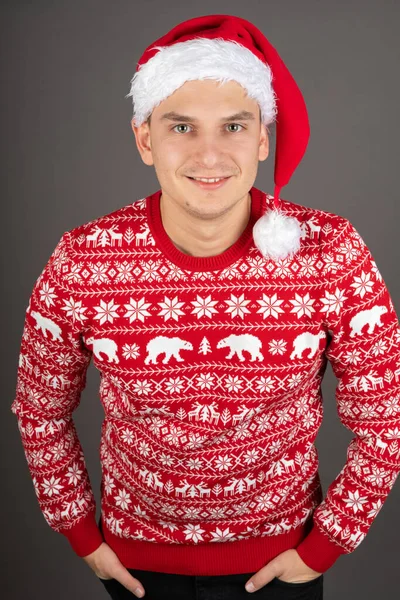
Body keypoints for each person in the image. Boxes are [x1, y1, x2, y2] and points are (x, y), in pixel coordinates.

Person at [11, 13, 400, 600]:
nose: (210, 155)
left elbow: (386, 416)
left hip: (281, 567)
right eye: (182, 127)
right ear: (145, 139)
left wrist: (327, 545)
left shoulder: (331, 253)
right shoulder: (83, 261)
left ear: (263, 137)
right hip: (135, 569)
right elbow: (40, 410)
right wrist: (80, 535)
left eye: (235, 126)